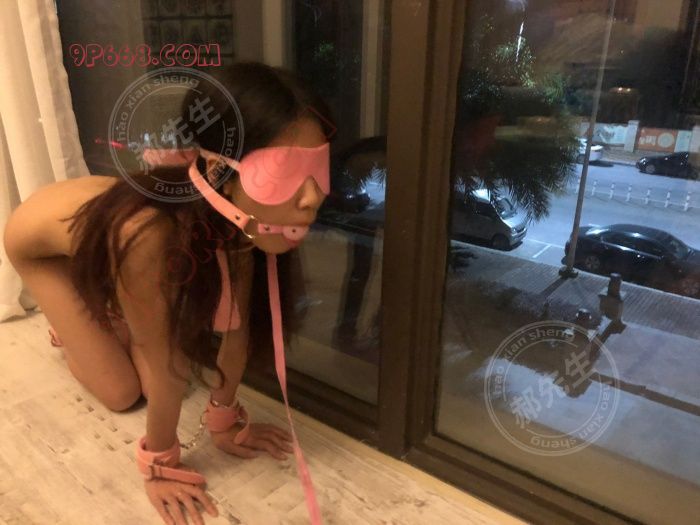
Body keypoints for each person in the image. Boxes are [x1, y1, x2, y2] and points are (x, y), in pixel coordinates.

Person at [3, 61, 335, 525]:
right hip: (45, 252)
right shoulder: (149, 238)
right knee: (125, 392)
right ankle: (75, 321)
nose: (312, 197)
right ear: (219, 170)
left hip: (107, 233)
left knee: (155, 338)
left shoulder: (242, 225)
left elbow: (238, 327)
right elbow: (164, 362)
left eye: (319, 169)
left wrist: (224, 421)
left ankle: (110, 304)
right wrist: (159, 463)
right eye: (284, 172)